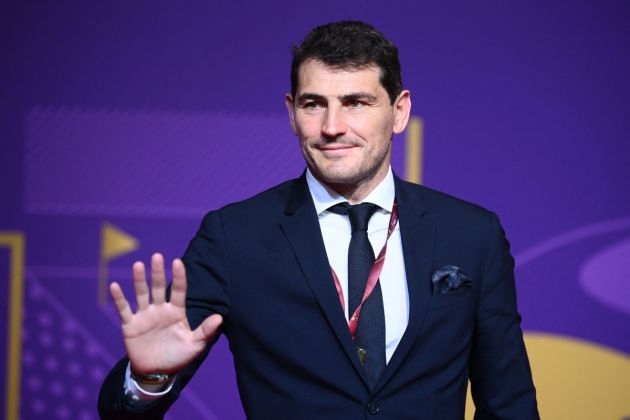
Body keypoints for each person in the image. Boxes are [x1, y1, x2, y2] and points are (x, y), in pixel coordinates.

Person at [99, 21, 539, 419]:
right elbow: (122, 414)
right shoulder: (234, 237)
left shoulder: (471, 234)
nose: (332, 126)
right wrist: (149, 381)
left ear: (399, 111)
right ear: (292, 111)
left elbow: (510, 405)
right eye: (314, 104)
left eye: (356, 103)